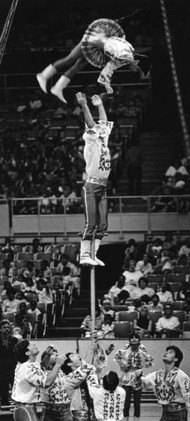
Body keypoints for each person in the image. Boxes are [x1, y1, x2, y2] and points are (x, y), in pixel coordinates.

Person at [36, 18, 149, 102]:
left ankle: (58, 87)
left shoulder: (127, 57)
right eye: (137, 69)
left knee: (78, 66)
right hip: (93, 41)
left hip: (98, 46)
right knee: (70, 59)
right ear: (136, 63)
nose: (135, 70)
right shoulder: (126, 55)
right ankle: (44, 75)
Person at [75, 92, 113, 266]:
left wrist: (99, 105)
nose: (101, 129)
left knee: (103, 224)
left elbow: (103, 122)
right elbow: (91, 123)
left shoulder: (104, 138)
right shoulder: (91, 140)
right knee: (91, 223)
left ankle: (94, 254)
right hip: (91, 186)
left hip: (102, 187)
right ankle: (83, 255)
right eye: (98, 129)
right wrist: (84, 106)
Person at [115, 332, 153, 421]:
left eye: (136, 338)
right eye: (132, 338)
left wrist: (142, 368)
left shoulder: (142, 349)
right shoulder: (125, 349)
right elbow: (117, 356)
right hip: (127, 377)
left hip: (137, 378)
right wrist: (123, 365)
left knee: (137, 403)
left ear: (139, 340)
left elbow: (150, 359)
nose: (134, 339)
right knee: (126, 404)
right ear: (129, 340)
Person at [0, 319, 18, 409]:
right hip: (2, 369)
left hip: (13, 367)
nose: (6, 329)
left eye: (8, 327)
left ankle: (19, 406)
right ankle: (4, 407)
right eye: (4, 327)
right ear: (0, 329)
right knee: (3, 391)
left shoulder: (14, 340)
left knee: (17, 388)